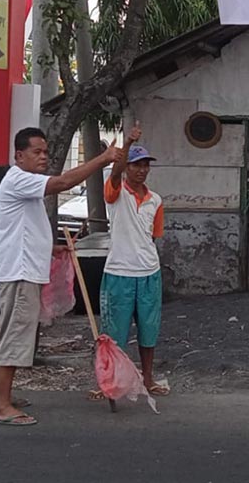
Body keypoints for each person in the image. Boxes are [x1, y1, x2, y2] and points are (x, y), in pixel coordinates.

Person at [0, 127, 124, 426]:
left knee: (10, 333)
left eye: (45, 152)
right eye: (37, 152)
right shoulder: (19, 179)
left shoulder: (22, 183)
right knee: (15, 335)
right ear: (19, 155)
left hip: (21, 268)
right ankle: (0, 405)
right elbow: (63, 182)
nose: (43, 157)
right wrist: (103, 159)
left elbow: (22, 229)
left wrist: (51, 248)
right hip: (19, 272)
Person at [91, 120, 169, 398]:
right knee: (114, 333)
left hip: (148, 272)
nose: (142, 170)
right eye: (136, 165)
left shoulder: (155, 200)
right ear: (128, 168)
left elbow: (154, 236)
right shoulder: (116, 192)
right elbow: (114, 175)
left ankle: (148, 378)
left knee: (149, 331)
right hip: (119, 272)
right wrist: (126, 144)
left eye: (146, 165)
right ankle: (109, 382)